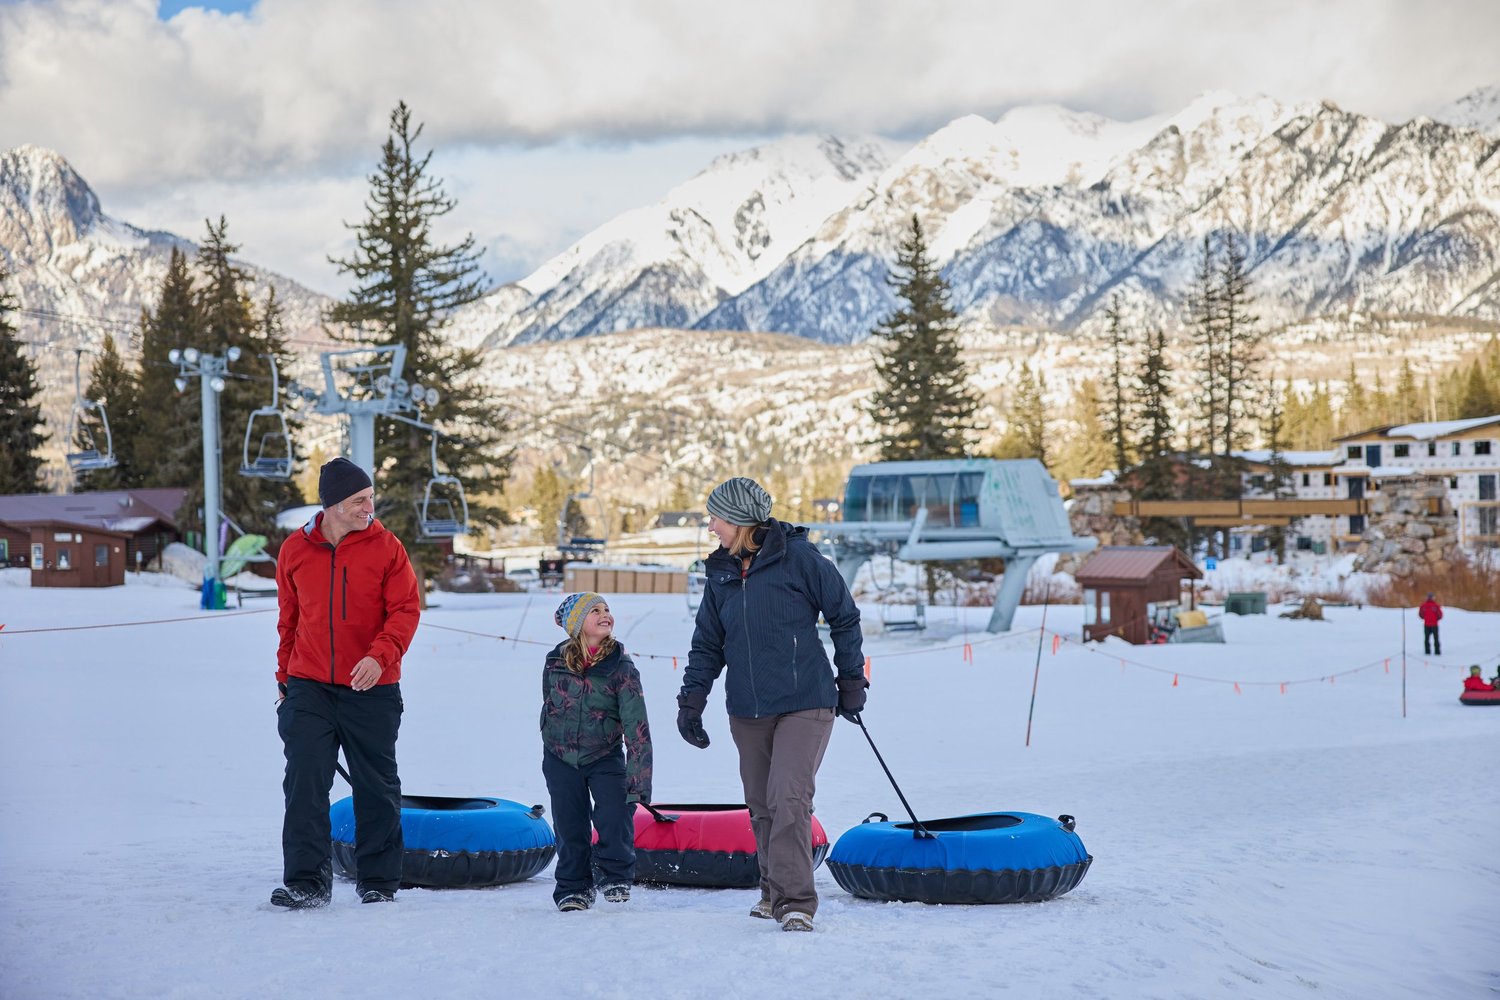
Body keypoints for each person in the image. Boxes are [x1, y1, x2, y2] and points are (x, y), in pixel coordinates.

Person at [677, 477, 866, 933]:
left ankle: (797, 901)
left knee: (789, 798)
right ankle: (772, 890)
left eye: (715, 517)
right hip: (748, 705)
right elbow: (708, 642)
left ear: (739, 520)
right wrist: (692, 699)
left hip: (806, 701)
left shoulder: (799, 558)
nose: (710, 526)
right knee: (761, 803)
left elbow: (844, 616)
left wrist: (851, 679)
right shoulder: (720, 571)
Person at [271, 457, 420, 908]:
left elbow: (405, 611)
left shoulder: (387, 547)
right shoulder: (294, 551)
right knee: (304, 783)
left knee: (376, 786)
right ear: (333, 504)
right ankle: (307, 883)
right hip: (309, 685)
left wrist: (381, 657)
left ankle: (378, 881)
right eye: (359, 500)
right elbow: (289, 622)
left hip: (371, 689)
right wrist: (285, 678)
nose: (368, 507)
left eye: (370, 498)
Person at [541, 592, 652, 911]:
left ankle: (615, 875)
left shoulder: (621, 666)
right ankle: (573, 887)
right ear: (576, 624)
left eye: (606, 609)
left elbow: (637, 726)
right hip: (560, 756)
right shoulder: (555, 661)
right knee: (569, 823)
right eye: (594, 610)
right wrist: (550, 740)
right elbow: (549, 703)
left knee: (615, 815)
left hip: (605, 755)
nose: (605, 614)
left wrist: (640, 782)